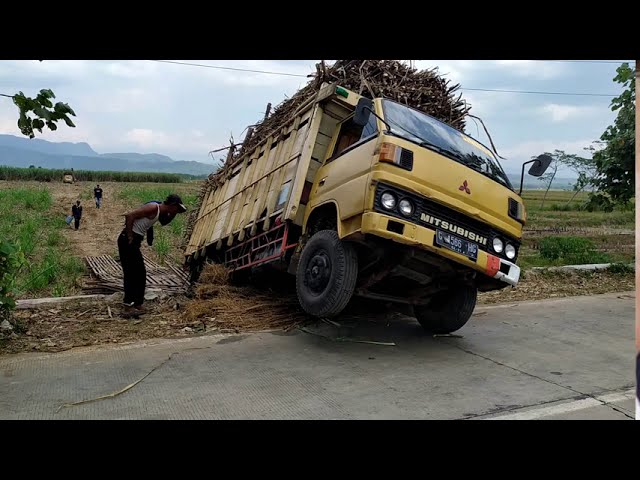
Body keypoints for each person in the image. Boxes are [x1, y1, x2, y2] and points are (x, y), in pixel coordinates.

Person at [118, 194, 187, 317]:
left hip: (134, 241)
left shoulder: (160, 211)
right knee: (131, 273)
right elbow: (130, 216)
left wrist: (175, 213)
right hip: (127, 241)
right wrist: (129, 236)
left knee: (140, 273)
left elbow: (164, 222)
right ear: (172, 205)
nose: (176, 211)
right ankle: (127, 307)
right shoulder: (153, 207)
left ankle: (138, 303)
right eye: (176, 209)